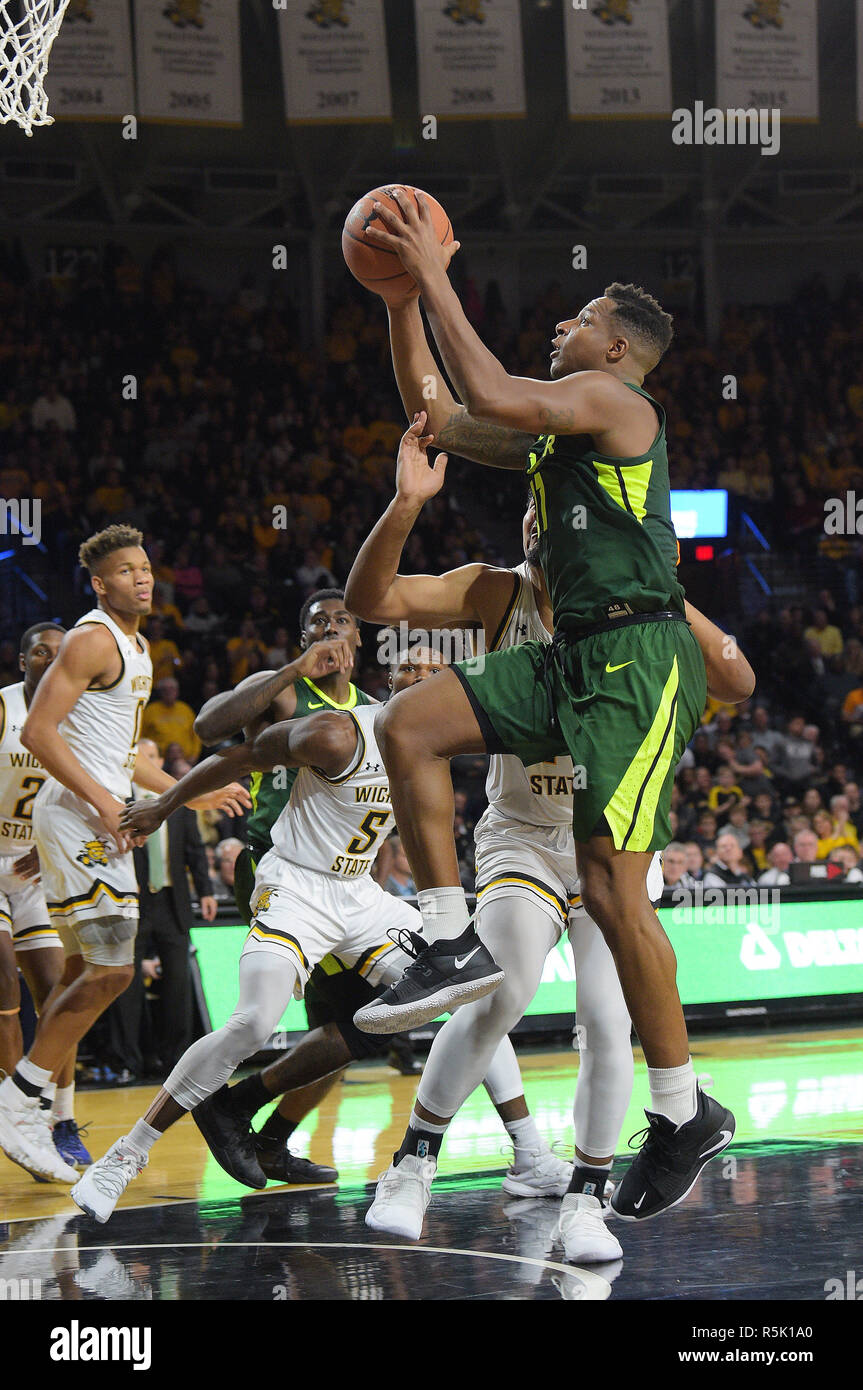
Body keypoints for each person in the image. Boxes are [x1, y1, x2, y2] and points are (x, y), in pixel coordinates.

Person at [353, 194, 742, 1220]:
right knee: (407, 723)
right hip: (568, 653)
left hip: (633, 653)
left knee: (616, 895)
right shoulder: (555, 444)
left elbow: (484, 380)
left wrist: (433, 267)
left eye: (576, 316)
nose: (559, 324)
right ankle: (449, 937)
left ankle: (678, 1110)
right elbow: (441, 407)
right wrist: (399, 301)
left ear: (613, 346)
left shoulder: (620, 409)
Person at [70, 642, 559, 1223]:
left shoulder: (441, 740)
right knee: (254, 1021)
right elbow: (243, 755)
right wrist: (167, 805)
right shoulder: (338, 735)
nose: (424, 679)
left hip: (360, 897)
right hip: (296, 888)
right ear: (390, 679)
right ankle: (125, 1157)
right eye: (411, 668)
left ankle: (529, 1153)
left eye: (436, 671)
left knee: (475, 992)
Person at [0, 524, 246, 1184]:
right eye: (127, 571)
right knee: (113, 970)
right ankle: (18, 1100)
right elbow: (37, 731)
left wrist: (187, 794)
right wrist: (107, 808)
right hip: (79, 819)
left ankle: (41, 1107)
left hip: (98, 816)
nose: (143, 577)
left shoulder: (135, 648)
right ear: (100, 584)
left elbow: (120, 761)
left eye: (146, 566)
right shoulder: (90, 639)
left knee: (84, 973)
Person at [0, 622, 89, 1169]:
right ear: (22, 662)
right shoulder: (6, 709)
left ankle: (61, 1116)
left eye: (61, 655)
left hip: (35, 868)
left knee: (59, 991)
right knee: (3, 973)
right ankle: (17, 1120)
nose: (50, 660)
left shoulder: (78, 717)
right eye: (40, 651)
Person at [106, 739, 218, 1079]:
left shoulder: (178, 801)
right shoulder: (116, 800)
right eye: (142, 757)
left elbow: (195, 850)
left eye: (153, 756)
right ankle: (126, 1061)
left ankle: (176, 1060)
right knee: (127, 983)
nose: (149, 762)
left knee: (178, 983)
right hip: (132, 901)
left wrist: (207, 890)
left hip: (172, 899)